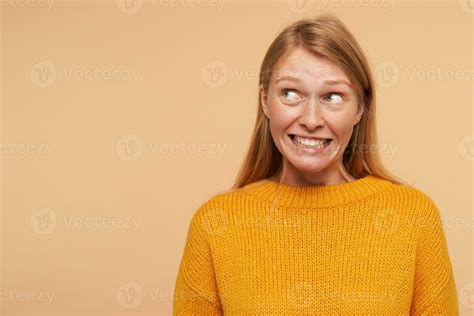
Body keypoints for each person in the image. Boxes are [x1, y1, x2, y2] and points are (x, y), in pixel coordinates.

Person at [173, 13, 459, 315]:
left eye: (332, 96)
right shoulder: (214, 224)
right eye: (290, 93)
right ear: (265, 100)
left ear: (360, 108)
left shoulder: (413, 217)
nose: (310, 120)